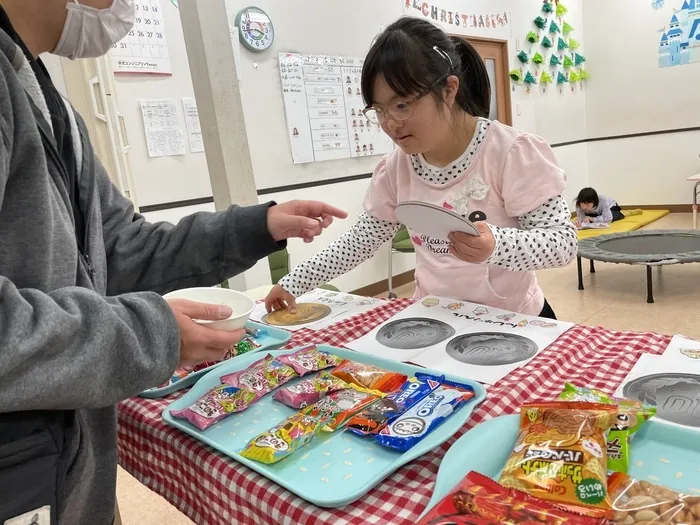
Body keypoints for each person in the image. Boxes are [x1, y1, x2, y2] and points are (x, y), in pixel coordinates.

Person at [0, 1, 346, 523]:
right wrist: (153, 334)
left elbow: (121, 249)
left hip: (65, 461)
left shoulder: (48, 100)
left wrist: (256, 226)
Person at [266, 18, 578, 319]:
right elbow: (362, 240)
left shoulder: (510, 153)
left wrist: (496, 244)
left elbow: (563, 243)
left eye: (402, 105)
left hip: (515, 320)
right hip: (436, 322)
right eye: (378, 110)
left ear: (449, 90)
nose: (390, 124)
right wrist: (294, 283)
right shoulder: (395, 169)